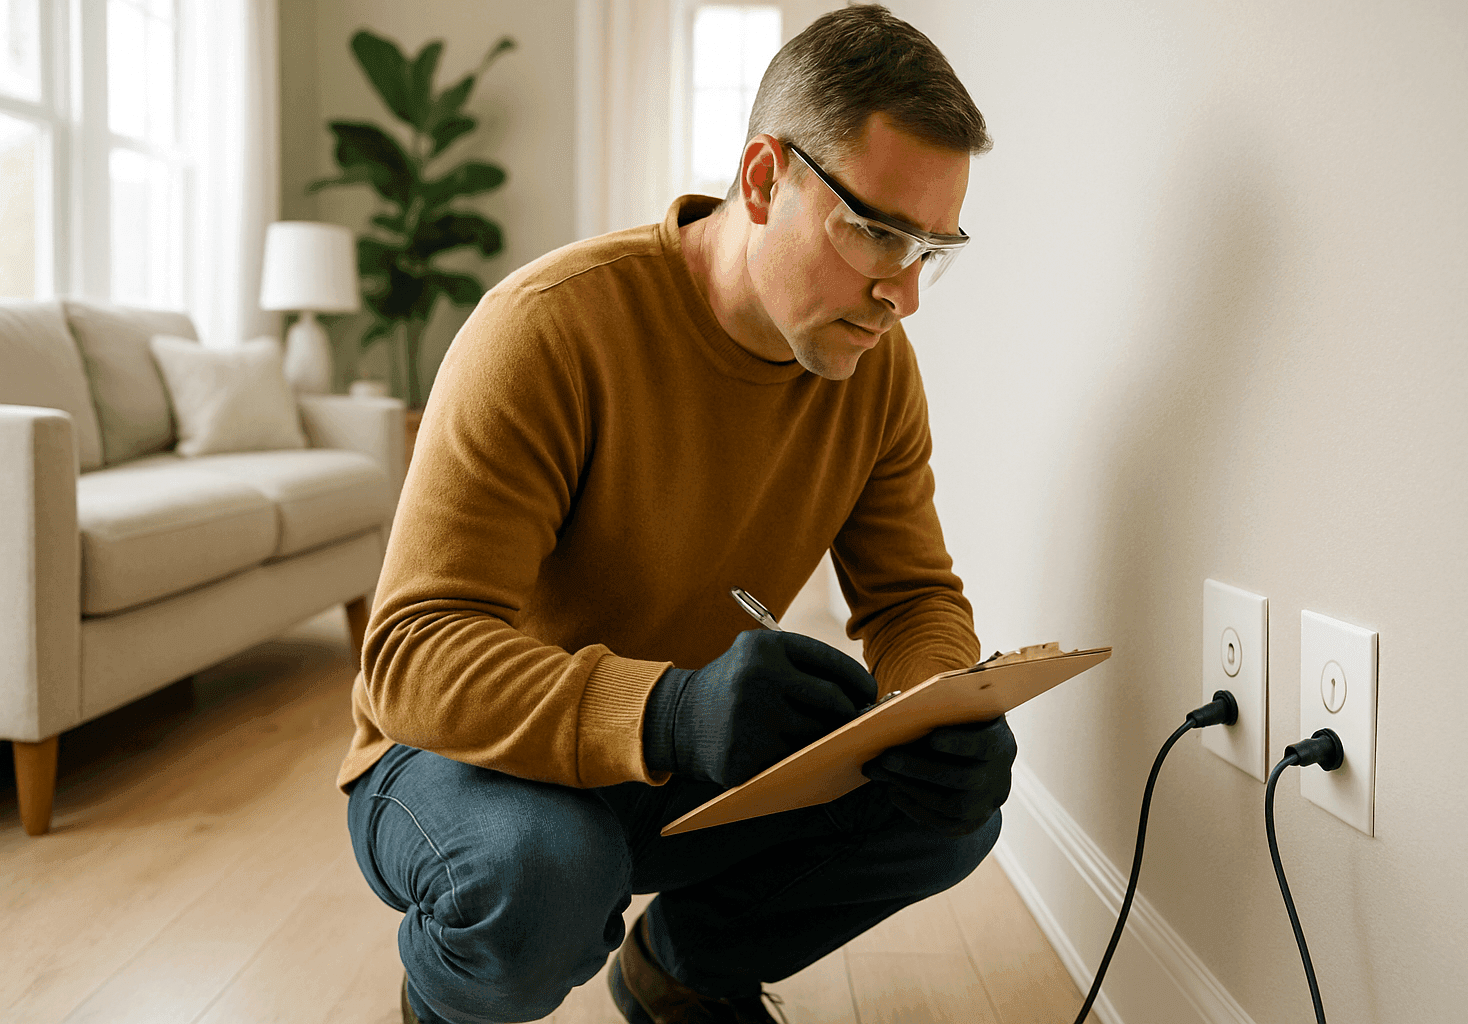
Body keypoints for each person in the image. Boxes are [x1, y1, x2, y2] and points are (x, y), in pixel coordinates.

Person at [338, 6, 1016, 1023]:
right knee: (542, 871)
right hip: (457, 757)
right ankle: (445, 1004)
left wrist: (941, 709)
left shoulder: (874, 372)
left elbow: (912, 596)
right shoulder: (548, 330)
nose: (902, 295)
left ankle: (683, 968)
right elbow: (410, 659)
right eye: (877, 232)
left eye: (929, 248)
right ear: (762, 179)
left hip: (670, 757)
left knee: (942, 810)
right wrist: (670, 709)